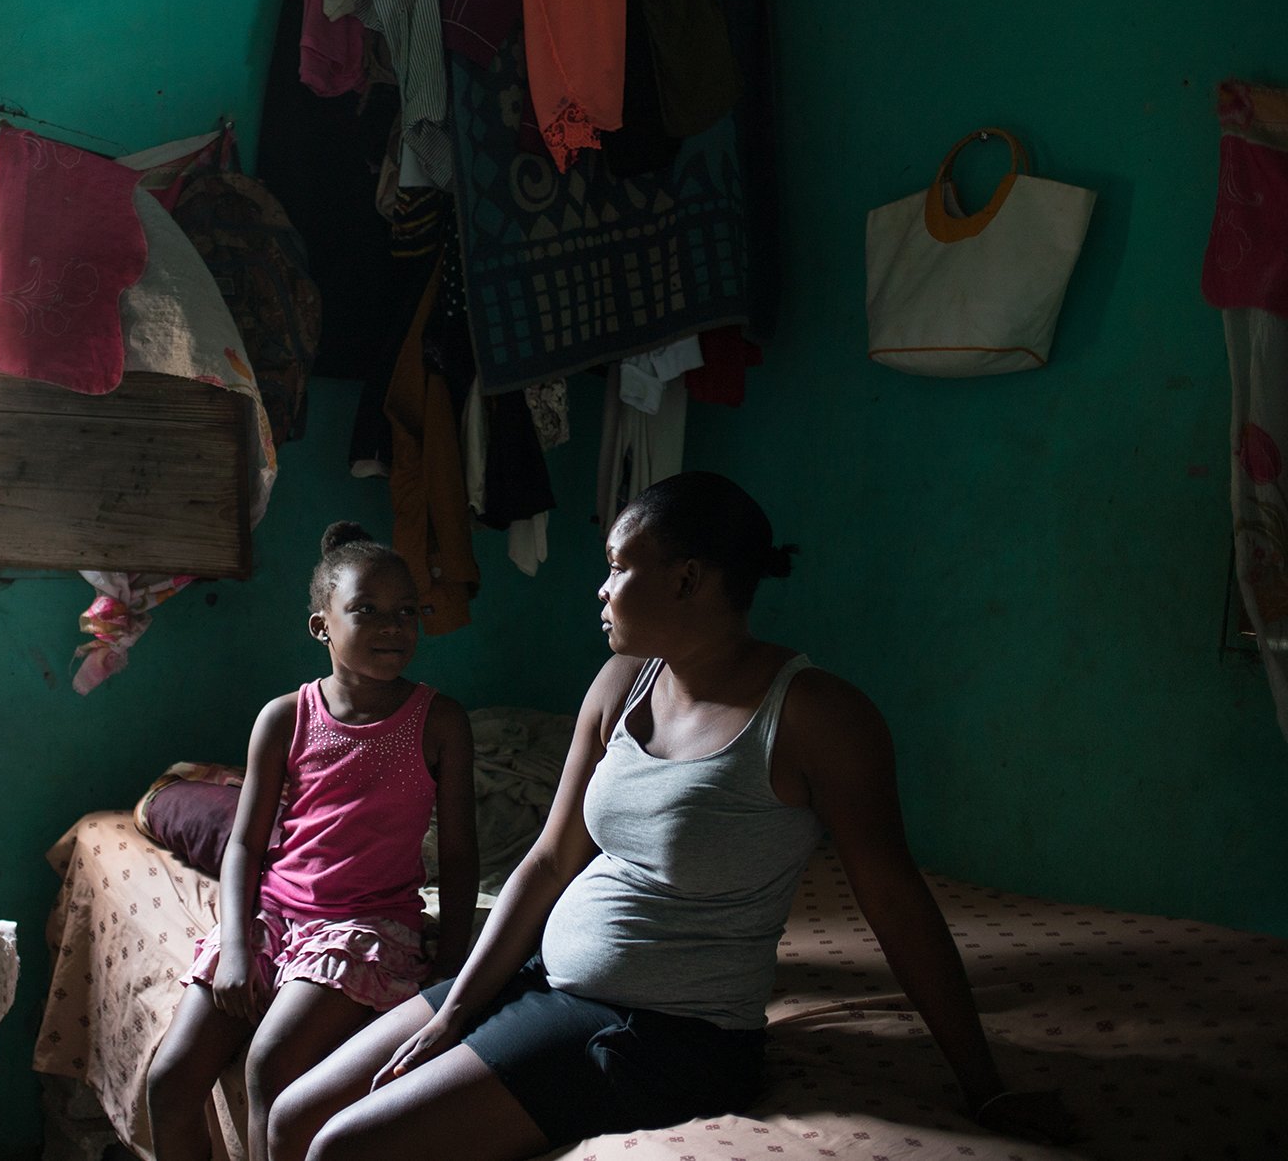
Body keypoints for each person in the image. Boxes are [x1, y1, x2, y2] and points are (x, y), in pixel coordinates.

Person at [266, 473, 1078, 1161]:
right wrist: (455, 1006)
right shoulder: (623, 682)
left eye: (620, 566)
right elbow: (549, 861)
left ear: (689, 580)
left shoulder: (816, 717)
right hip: (541, 980)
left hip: (658, 1033)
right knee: (291, 1116)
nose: (602, 586)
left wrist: (986, 1084)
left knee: (345, 1148)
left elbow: (897, 903)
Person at [145, 521, 479, 1161]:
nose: (392, 626)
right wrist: (238, 947)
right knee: (169, 1080)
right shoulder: (285, 717)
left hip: (366, 926)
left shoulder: (439, 721)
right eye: (367, 610)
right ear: (321, 625)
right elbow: (244, 845)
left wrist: (452, 960)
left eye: (406, 611)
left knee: (269, 1066)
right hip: (274, 918)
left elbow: (461, 856)